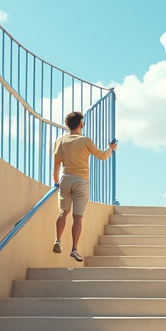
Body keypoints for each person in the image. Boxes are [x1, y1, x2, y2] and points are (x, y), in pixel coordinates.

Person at [52, 111, 117, 262]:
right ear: (81, 124)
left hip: (65, 179)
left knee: (63, 212)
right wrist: (111, 148)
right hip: (81, 181)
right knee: (77, 216)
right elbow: (101, 156)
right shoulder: (85, 140)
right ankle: (74, 249)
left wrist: (56, 180)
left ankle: (58, 240)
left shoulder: (60, 141)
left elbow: (56, 163)